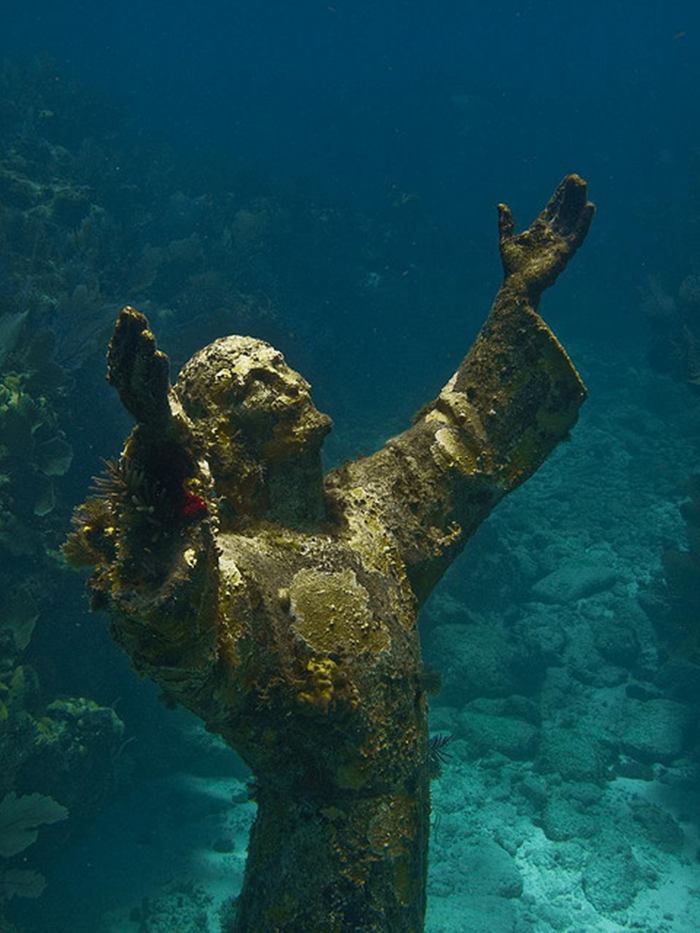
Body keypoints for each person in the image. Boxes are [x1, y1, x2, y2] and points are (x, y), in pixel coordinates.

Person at [66, 174, 593, 932]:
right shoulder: (243, 576)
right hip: (309, 888)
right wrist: (159, 452)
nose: (283, 376)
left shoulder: (369, 512)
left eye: (278, 362)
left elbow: (466, 434)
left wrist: (515, 304)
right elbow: (164, 619)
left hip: (400, 869)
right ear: (224, 437)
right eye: (254, 380)